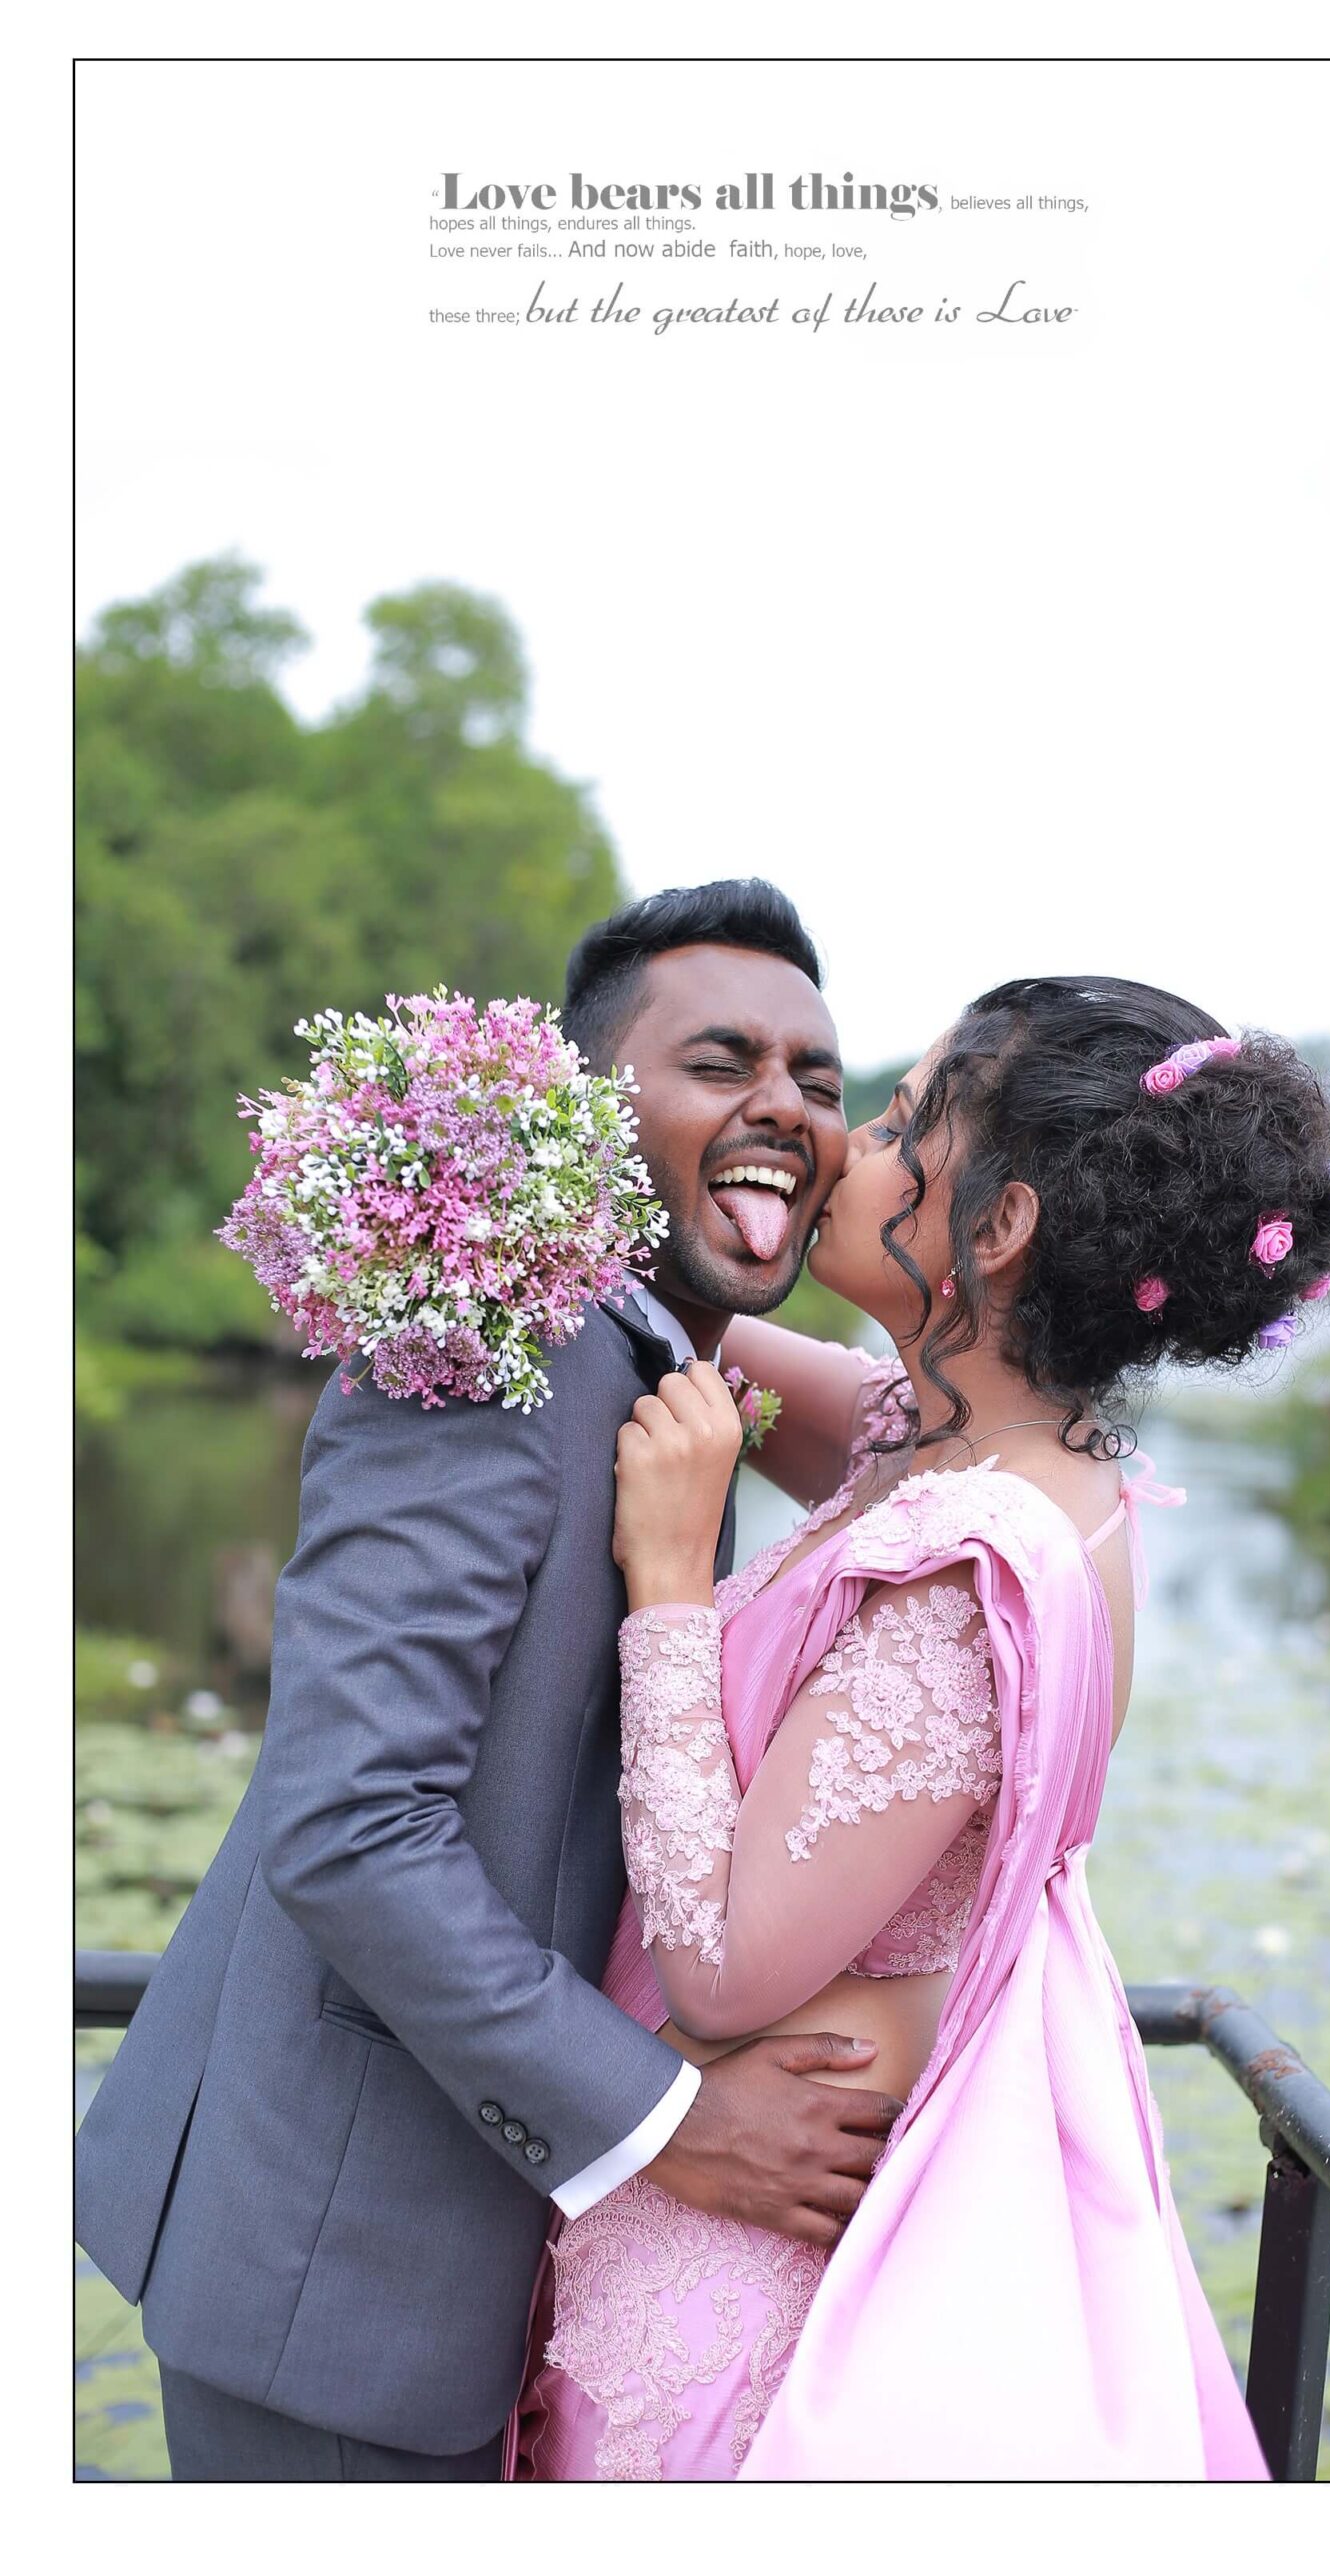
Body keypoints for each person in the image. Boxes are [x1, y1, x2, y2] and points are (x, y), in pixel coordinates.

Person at [74, 880, 908, 2484]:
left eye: (815, 1076)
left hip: (489, 2261)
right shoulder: (484, 1353)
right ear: (595, 1112)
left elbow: (955, 1444)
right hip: (343, 2265)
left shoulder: (665, 1353)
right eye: (720, 1061)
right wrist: (674, 2123)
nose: (784, 1108)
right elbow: (348, 1823)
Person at [519, 976, 1330, 2481]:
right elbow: (687, 1337)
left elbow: (717, 1969)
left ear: (1000, 1223)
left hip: (753, 2279)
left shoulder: (977, 1559)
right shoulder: (962, 1439)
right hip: (771, 2177)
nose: (844, 1145)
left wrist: (667, 1577)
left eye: (902, 1126)